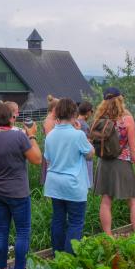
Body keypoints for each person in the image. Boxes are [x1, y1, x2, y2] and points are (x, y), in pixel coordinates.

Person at [0, 102, 42, 269]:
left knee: (1, 230)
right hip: (18, 192)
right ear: (8, 117)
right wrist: (32, 136)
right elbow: (37, 159)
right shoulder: (19, 137)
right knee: (22, 231)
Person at [93, 87, 135, 233]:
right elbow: (134, 148)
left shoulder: (99, 119)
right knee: (134, 200)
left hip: (103, 163)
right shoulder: (127, 120)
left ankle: (108, 236)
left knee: (106, 200)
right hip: (122, 163)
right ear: (120, 99)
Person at [44, 98, 94, 254]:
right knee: (75, 223)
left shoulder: (50, 135)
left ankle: (57, 254)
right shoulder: (77, 135)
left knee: (58, 220)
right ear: (74, 114)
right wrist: (82, 134)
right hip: (73, 184)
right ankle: (69, 260)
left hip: (54, 183)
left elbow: (48, 158)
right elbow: (90, 154)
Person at [41, 95, 59, 184]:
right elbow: (49, 138)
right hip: (51, 152)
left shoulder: (53, 119)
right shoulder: (49, 121)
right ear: (54, 108)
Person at [77, 101, 94, 187]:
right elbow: (87, 141)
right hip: (86, 157)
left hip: (77, 157)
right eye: (92, 111)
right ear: (87, 112)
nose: (92, 113)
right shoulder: (84, 125)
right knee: (87, 182)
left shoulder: (75, 122)